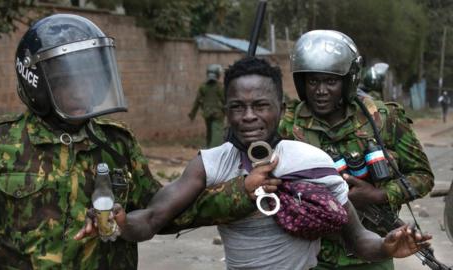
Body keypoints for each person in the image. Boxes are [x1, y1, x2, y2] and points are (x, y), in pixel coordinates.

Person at [0, 14, 279, 270]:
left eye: (90, 79)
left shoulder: (115, 143)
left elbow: (161, 212)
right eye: (69, 81)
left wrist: (241, 190)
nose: (84, 91)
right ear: (35, 83)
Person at [78, 57, 432, 270]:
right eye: (237, 107)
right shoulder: (210, 163)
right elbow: (152, 219)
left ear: (280, 106)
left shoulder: (311, 160)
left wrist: (387, 246)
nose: (248, 117)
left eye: (260, 105)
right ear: (226, 110)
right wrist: (119, 223)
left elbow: (357, 239)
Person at [279, 30, 434, 270]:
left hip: (373, 255)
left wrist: (380, 195)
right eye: (313, 81)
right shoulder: (286, 125)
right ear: (302, 82)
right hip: (310, 255)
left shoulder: (383, 118)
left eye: (331, 81)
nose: (321, 91)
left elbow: (422, 177)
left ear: (348, 80)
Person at [189, 64, 225, 148]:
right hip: (218, 115)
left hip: (207, 113)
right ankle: (214, 151)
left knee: (209, 133)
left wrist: (192, 114)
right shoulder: (219, 87)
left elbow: (197, 102)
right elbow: (225, 100)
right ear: (217, 74)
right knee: (217, 133)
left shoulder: (203, 87)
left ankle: (209, 149)